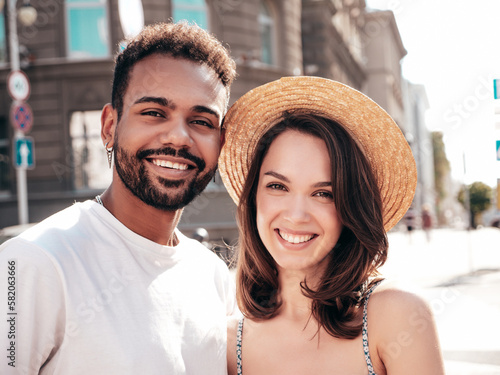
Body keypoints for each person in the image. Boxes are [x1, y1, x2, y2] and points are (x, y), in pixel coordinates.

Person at [0, 22, 237, 374]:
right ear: (110, 126)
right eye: (154, 112)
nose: (178, 137)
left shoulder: (214, 277)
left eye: (201, 121)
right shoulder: (33, 262)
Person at [219, 77, 445, 374]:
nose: (297, 215)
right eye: (277, 186)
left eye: (323, 194)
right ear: (254, 198)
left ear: (349, 209)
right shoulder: (229, 342)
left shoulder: (396, 315)